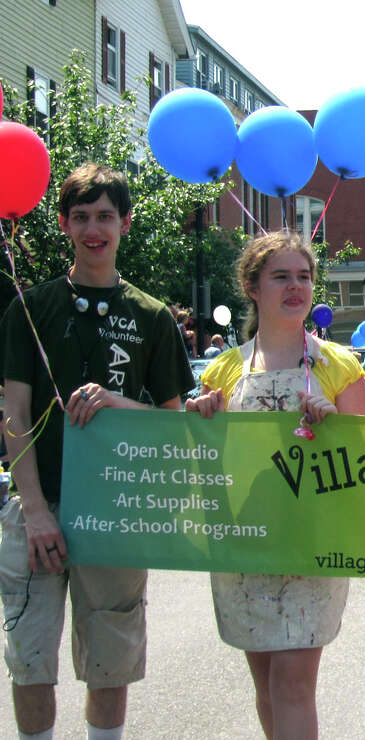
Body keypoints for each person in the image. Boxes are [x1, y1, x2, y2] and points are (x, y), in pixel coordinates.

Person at [0, 163, 194, 740]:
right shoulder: (28, 308)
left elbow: (172, 425)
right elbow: (12, 413)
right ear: (62, 223)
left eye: (105, 216)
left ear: (125, 223)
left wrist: (115, 402)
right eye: (81, 216)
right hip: (40, 509)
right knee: (31, 658)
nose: (94, 229)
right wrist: (33, 510)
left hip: (117, 510)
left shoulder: (154, 317)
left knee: (111, 661)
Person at [185, 231, 365, 739]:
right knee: (266, 687)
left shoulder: (340, 365)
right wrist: (201, 420)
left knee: (292, 685)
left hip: (313, 542)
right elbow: (205, 469)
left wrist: (338, 426)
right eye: (281, 276)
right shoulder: (222, 370)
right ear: (252, 286)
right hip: (244, 543)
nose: (296, 287)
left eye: (304, 276)